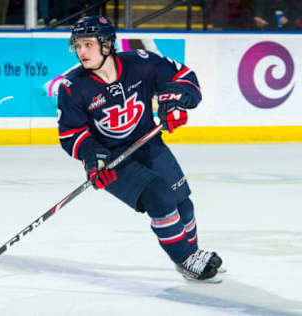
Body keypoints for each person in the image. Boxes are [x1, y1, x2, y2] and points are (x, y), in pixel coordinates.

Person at [57, 16, 223, 282]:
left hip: (149, 144)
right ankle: (184, 258)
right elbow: (71, 134)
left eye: (88, 44)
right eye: (77, 45)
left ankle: (193, 253)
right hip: (112, 161)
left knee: (183, 202)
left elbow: (184, 78)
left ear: (107, 44)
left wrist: (174, 102)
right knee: (160, 197)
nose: (81, 52)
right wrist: (92, 158)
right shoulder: (72, 86)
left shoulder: (141, 63)